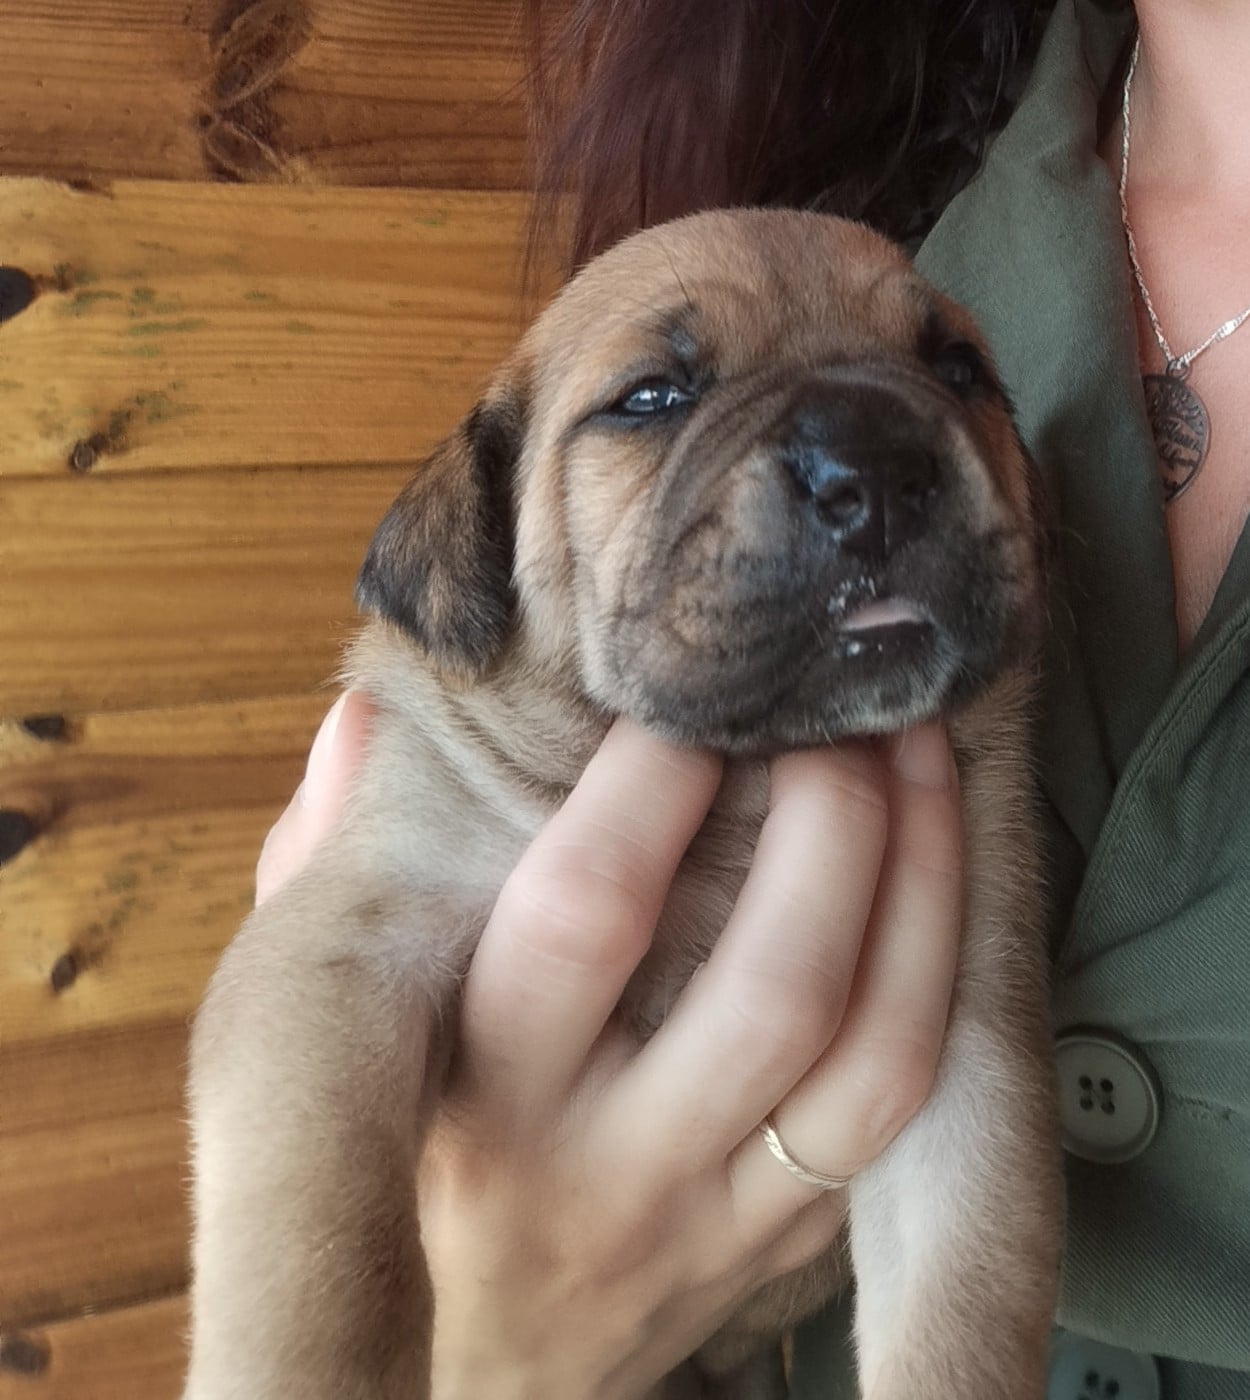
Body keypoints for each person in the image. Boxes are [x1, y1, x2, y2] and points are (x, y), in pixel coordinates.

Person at [256, 0, 1250, 1394]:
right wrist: (480, 1348)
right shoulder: (884, 150)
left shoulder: (972, 719)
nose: (872, 466)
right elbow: (320, 992)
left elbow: (965, 1100)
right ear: (471, 541)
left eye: (949, 372)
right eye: (656, 401)